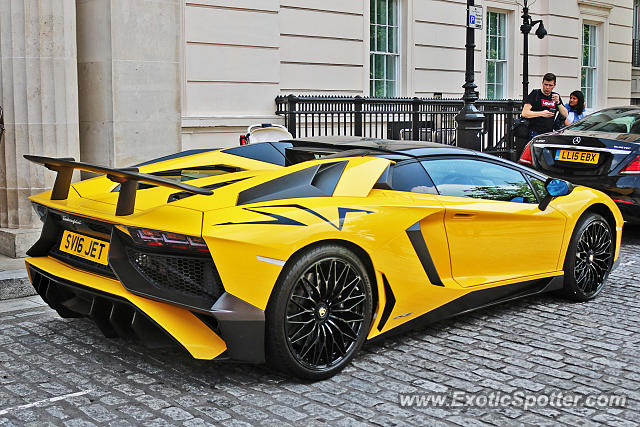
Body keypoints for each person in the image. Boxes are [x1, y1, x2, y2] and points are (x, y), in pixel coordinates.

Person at [521, 73, 568, 138]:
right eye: (545, 84)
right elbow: (524, 113)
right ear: (542, 83)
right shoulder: (535, 94)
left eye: (550, 85)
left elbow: (565, 114)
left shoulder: (555, 96)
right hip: (535, 132)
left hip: (549, 133)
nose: (547, 87)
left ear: (554, 85)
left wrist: (558, 103)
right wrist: (541, 113)